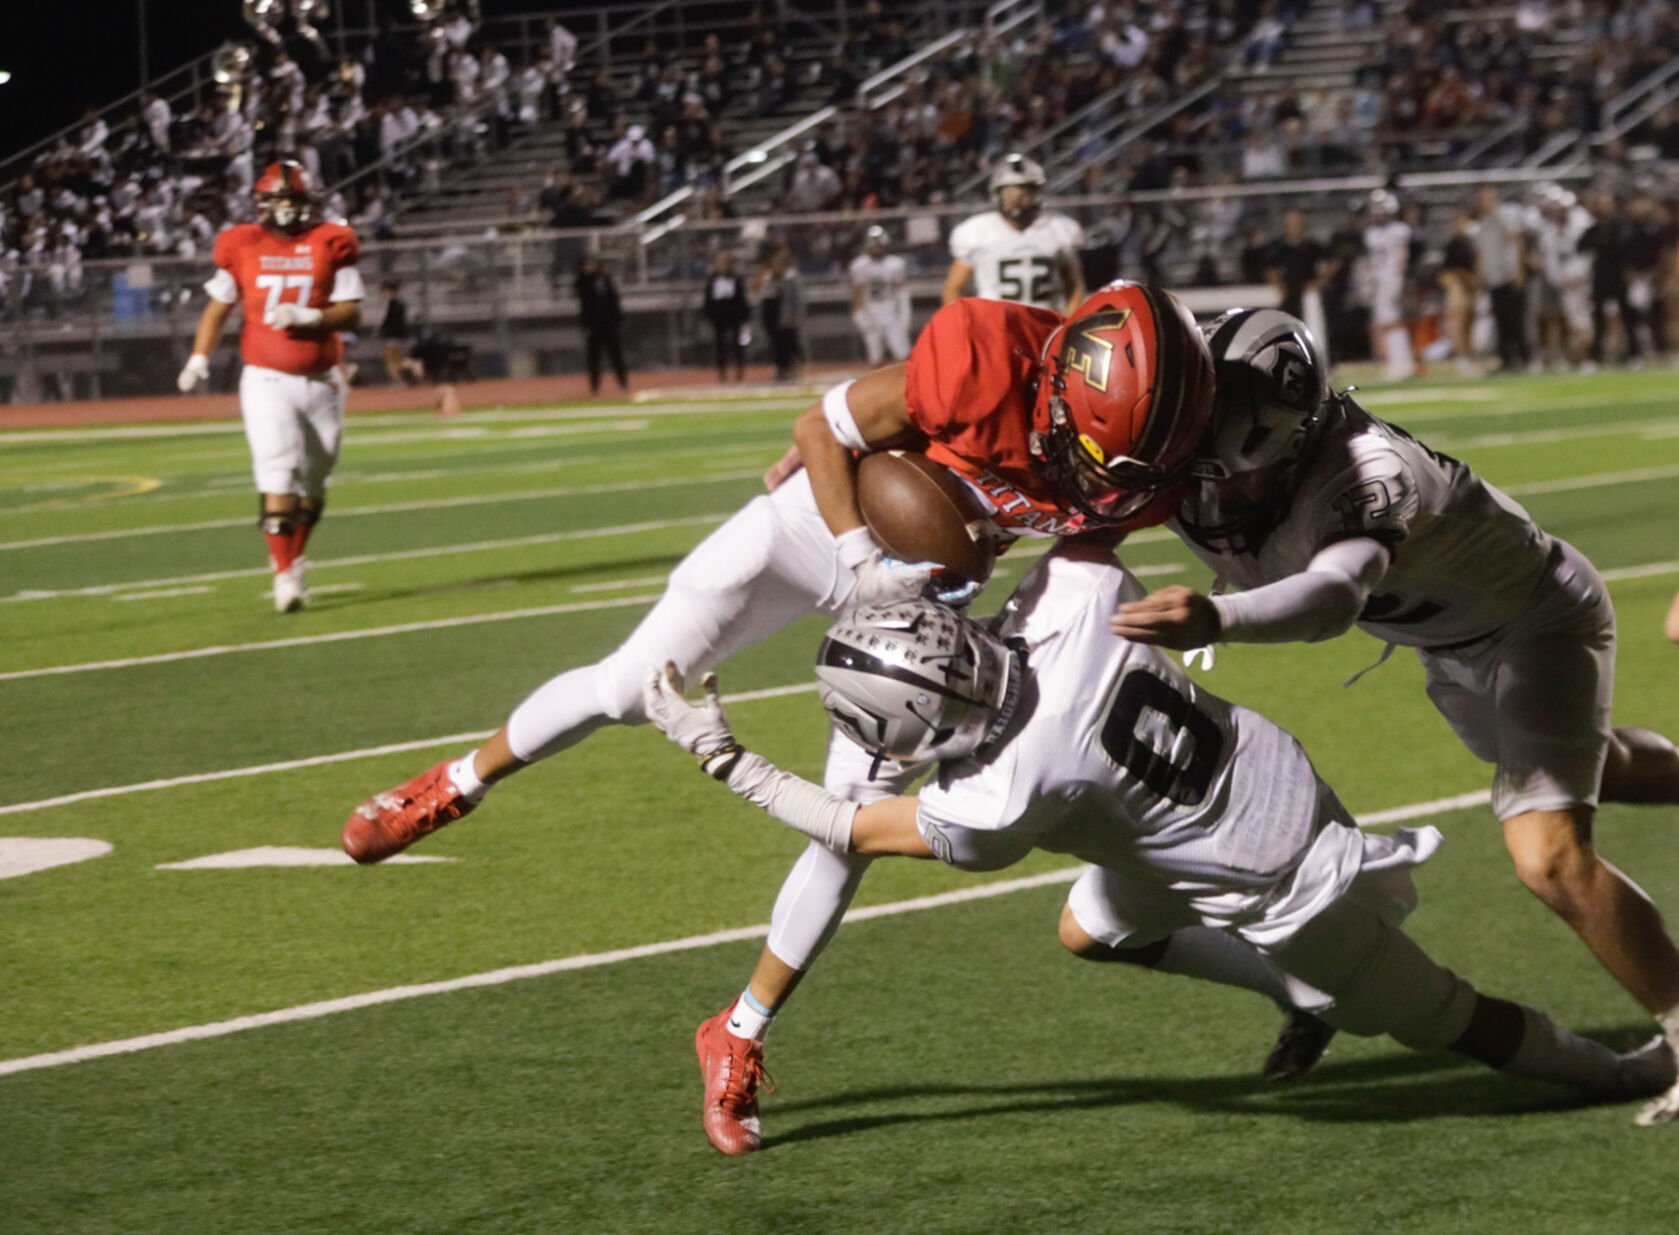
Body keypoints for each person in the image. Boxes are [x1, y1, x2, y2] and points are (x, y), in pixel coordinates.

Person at [339, 288, 1219, 1152]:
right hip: (821, 530)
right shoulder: (985, 357)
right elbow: (816, 430)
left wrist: (1195, 614)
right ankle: (455, 783)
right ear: (1060, 383)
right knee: (631, 684)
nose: (1103, 480)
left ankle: (738, 1029)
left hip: (929, 603)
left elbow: (1080, 565)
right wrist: (856, 551)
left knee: (851, 827)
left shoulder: (1147, 464)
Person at [642, 550, 1677, 1147]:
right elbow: (1083, 510)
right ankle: (1289, 993)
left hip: (1285, 885)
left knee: (1443, 1018)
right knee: (1086, 925)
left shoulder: (1001, 796)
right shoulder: (1075, 595)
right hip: (1263, 781)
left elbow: (847, 823)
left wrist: (721, 755)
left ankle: (1612, 1068)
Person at [1109, 307, 1679, 1128]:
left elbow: (1334, 594)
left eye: (1216, 443)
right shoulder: (1209, 450)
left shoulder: (1367, 470)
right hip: (1445, 639)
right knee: (1604, 769)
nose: (1205, 475)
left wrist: (1219, 617)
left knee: (1547, 855)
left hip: (1534, 622)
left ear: (1280, 431)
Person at [177, 160, 363, 614]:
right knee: (278, 470)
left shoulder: (331, 241)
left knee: (315, 482)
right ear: (261, 204)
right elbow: (218, 308)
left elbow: (352, 311)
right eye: (278, 201)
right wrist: (199, 357)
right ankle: (284, 575)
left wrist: (311, 318)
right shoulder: (243, 243)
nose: (285, 210)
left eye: (294, 200)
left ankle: (294, 558)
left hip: (323, 381)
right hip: (266, 378)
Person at [942, 153, 1086, 314]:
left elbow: (1074, 286)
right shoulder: (977, 231)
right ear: (997, 195)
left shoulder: (1058, 229)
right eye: (1009, 192)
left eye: (1024, 193)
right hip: (996, 326)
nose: (1016, 200)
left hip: (1047, 325)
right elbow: (953, 288)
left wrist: (1071, 324)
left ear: (1037, 195)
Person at [1475, 186, 1530, 374]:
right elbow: (1482, 251)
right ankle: (1506, 359)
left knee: (1516, 319)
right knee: (1500, 320)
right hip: (1494, 276)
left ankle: (1524, 358)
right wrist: (1481, 273)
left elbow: (1517, 242)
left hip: (1509, 274)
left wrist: (1519, 271)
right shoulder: (1484, 222)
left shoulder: (1506, 216)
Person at [1363, 189, 1413, 380]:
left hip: (1391, 279)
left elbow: (1400, 258)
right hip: (1378, 280)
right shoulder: (1372, 233)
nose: (1377, 213)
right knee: (1385, 323)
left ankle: (1400, 363)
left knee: (1391, 321)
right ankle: (1398, 361)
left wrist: (1396, 282)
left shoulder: (1398, 230)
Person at [847, 225, 911, 364]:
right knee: (875, 357)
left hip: (890, 312)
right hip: (870, 312)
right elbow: (857, 292)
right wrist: (858, 314)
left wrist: (905, 315)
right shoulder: (859, 265)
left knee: (902, 355)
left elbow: (901, 292)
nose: (876, 249)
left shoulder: (895, 264)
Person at [573, 255, 629, 395]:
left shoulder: (606, 279)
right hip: (593, 324)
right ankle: (595, 386)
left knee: (616, 354)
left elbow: (614, 299)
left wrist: (618, 318)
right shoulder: (584, 281)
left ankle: (623, 382)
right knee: (594, 357)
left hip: (609, 323)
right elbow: (581, 293)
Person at [755, 244, 804, 382]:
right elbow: (756, 291)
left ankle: (790, 368)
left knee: (788, 341)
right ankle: (780, 368)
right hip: (771, 312)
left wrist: (797, 314)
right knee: (775, 342)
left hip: (785, 312)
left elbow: (796, 298)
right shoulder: (767, 275)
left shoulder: (791, 276)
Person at [701, 249, 750, 382]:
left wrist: (744, 316)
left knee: (737, 344)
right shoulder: (712, 279)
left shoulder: (736, 278)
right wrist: (708, 314)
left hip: (734, 315)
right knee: (720, 345)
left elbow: (741, 298)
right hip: (719, 316)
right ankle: (722, 372)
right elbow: (708, 298)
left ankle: (739, 370)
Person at [378, 281, 413, 385]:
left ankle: (398, 379)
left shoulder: (393, 304)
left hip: (393, 336)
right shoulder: (400, 303)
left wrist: (383, 330)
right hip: (399, 335)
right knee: (397, 359)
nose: (384, 294)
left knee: (390, 359)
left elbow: (391, 321)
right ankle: (407, 370)